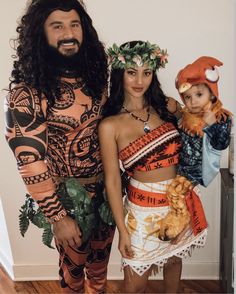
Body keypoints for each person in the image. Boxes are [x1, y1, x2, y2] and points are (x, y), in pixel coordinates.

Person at [4, 0, 115, 293]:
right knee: (73, 274)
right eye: (57, 26)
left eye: (74, 24)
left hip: (107, 197)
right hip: (68, 202)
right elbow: (29, 160)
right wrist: (59, 217)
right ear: (41, 33)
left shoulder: (95, 79)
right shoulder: (26, 92)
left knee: (100, 270)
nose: (68, 33)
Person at [98, 41, 207, 293]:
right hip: (141, 212)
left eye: (147, 72)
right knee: (135, 285)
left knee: (173, 260)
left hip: (178, 202)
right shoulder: (110, 126)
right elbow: (113, 181)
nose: (140, 80)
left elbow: (197, 126)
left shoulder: (167, 106)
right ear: (119, 73)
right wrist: (123, 232)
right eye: (131, 72)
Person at [158, 56, 232, 241]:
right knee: (167, 189)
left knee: (175, 192)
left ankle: (180, 222)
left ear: (212, 94)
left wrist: (212, 125)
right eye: (188, 97)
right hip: (181, 164)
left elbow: (222, 144)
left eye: (199, 95)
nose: (192, 102)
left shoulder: (220, 117)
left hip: (196, 169)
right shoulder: (187, 116)